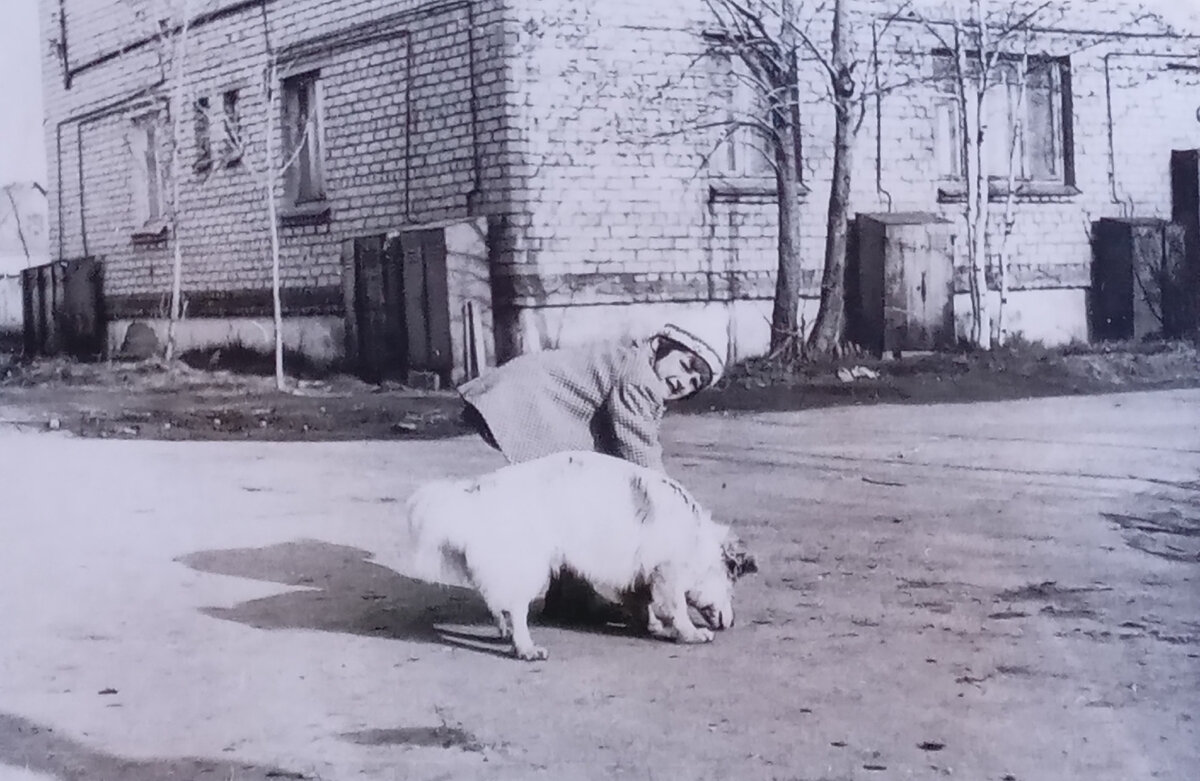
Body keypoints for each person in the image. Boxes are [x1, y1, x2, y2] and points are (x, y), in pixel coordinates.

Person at [456, 323, 726, 621]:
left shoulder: (639, 363)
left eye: (693, 382)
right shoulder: (640, 378)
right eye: (685, 365)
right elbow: (640, 454)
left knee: (582, 493)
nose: (683, 382)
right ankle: (566, 597)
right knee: (575, 498)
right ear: (661, 345)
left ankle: (569, 595)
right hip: (531, 405)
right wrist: (676, 508)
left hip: (531, 396)